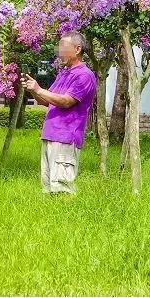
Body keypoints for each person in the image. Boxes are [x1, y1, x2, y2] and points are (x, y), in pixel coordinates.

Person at [22, 31, 96, 195]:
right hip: (50, 135)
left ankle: (68, 219)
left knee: (62, 189)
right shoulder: (64, 74)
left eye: (63, 46)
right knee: (47, 188)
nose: (59, 51)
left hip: (66, 137)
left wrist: (39, 89)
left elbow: (66, 101)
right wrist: (33, 90)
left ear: (77, 49)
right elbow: (46, 100)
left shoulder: (85, 75)